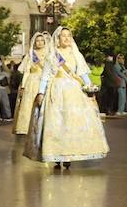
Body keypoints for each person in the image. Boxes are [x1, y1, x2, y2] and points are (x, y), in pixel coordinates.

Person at [25, 27, 108, 169]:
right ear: (58, 38)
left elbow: (82, 74)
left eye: (69, 36)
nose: (66, 38)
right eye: (63, 36)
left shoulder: (76, 54)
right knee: (58, 123)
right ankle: (57, 153)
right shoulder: (53, 55)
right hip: (56, 91)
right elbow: (45, 76)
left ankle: (69, 154)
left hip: (74, 92)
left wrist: (89, 88)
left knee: (72, 122)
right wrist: (41, 92)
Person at [13, 31, 51, 137]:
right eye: (37, 41)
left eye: (41, 41)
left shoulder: (49, 54)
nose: (39, 43)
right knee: (28, 104)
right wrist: (24, 86)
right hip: (32, 81)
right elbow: (26, 71)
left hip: (44, 80)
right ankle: (25, 127)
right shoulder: (31, 55)